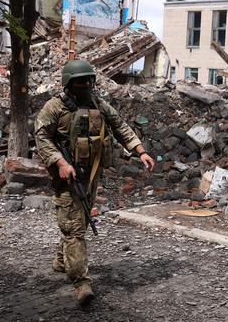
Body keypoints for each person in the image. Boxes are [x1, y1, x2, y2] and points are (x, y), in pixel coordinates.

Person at [34, 59, 155, 305]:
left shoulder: (98, 104)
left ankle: (61, 259)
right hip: (66, 176)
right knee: (74, 227)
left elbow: (120, 126)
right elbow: (41, 136)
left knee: (78, 222)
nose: (85, 84)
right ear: (68, 83)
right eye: (80, 81)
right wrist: (60, 162)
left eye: (88, 80)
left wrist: (140, 150)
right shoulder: (54, 107)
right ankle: (81, 282)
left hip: (90, 175)